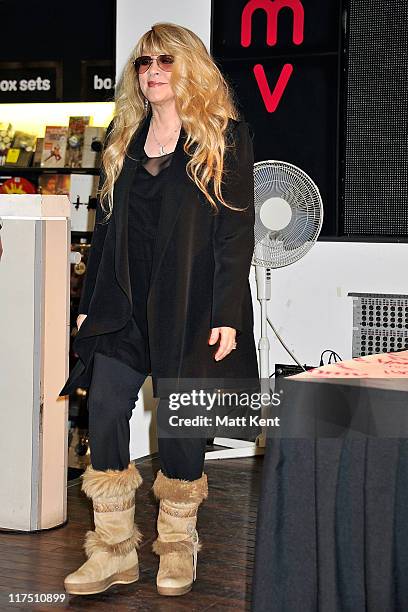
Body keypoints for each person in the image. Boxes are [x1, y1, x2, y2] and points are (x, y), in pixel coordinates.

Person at [60, 22, 259, 597]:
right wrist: (89, 306)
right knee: (104, 409)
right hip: (122, 308)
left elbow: (234, 233)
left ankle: (176, 547)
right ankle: (113, 551)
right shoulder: (123, 139)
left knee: (180, 431)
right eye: (144, 63)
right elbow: (106, 234)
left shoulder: (224, 137)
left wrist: (226, 313)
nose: (151, 72)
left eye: (164, 61)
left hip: (190, 308)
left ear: (189, 66)